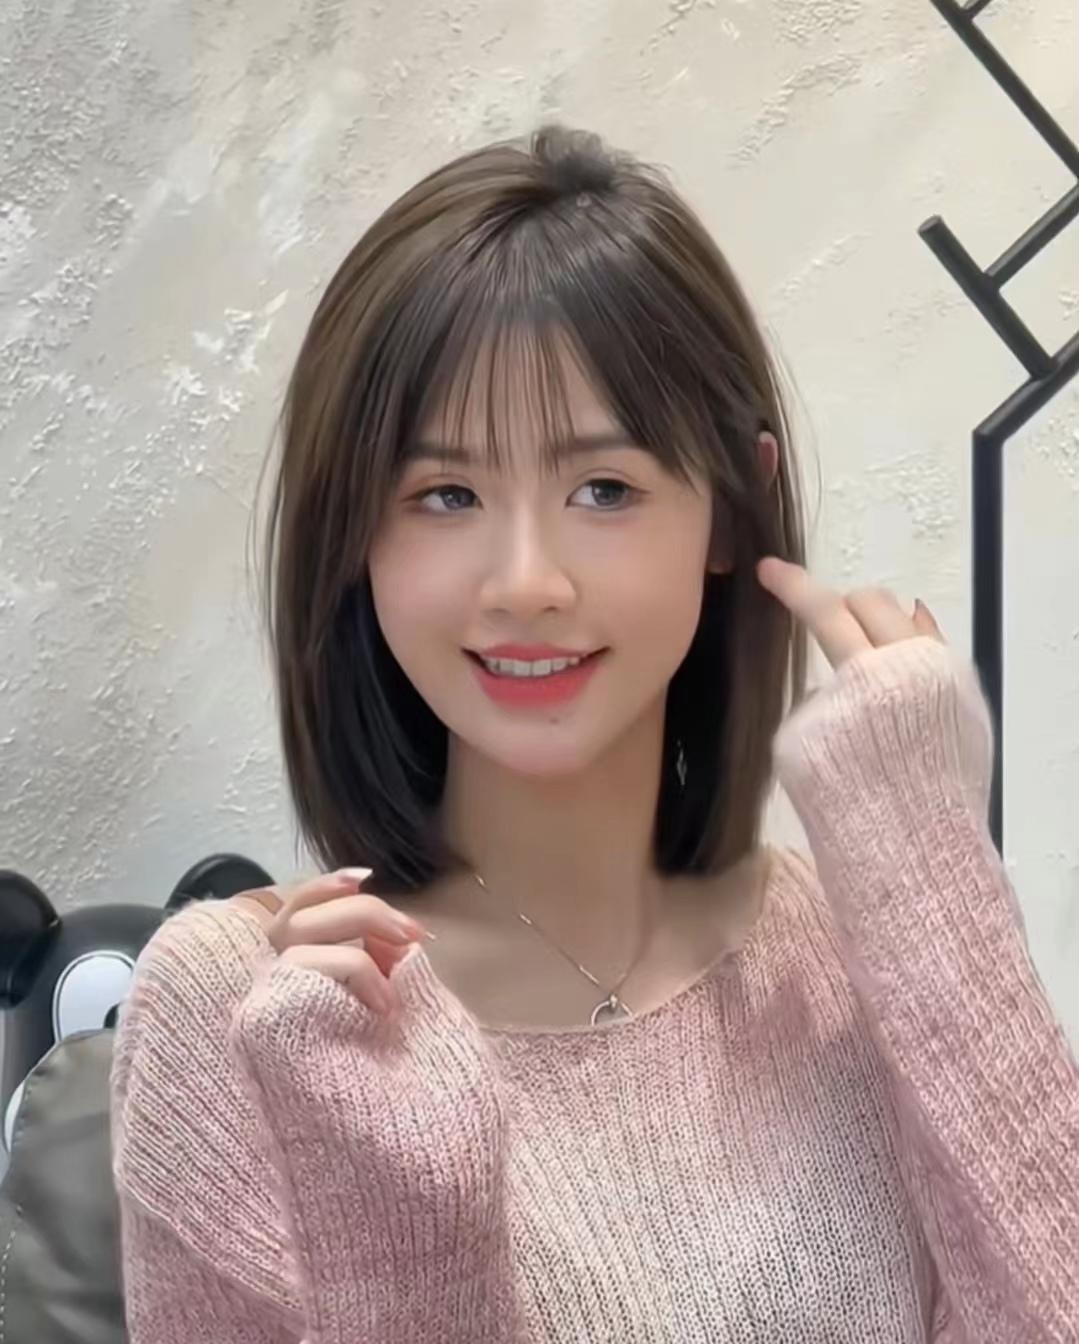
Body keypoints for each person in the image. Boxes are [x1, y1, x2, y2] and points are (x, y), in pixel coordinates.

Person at [109, 126, 1079, 1343]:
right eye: (444, 495)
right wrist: (407, 1249)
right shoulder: (245, 1016)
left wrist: (931, 880)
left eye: (602, 489)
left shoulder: (843, 951)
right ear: (355, 535)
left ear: (729, 507)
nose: (526, 581)